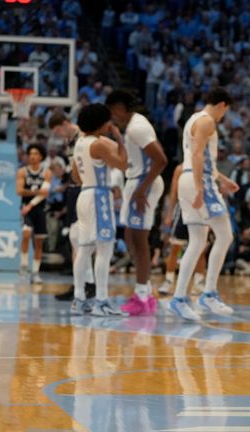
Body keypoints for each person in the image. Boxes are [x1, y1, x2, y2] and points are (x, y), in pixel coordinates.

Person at [169, 87, 239, 321]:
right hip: (199, 182)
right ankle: (208, 293)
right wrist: (201, 187)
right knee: (225, 235)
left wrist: (224, 180)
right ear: (222, 105)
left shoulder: (193, 119)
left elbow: (198, 158)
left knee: (197, 241)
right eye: (225, 112)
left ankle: (179, 298)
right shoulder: (208, 121)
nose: (223, 117)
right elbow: (198, 154)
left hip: (188, 178)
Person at [106, 90, 168, 315]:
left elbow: (161, 159)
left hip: (143, 183)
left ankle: (142, 296)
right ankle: (147, 292)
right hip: (137, 181)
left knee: (140, 242)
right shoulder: (135, 126)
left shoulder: (137, 127)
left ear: (121, 108)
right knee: (130, 237)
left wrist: (142, 190)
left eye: (113, 111)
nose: (112, 116)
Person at [69, 103, 129, 316]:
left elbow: (75, 176)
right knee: (104, 249)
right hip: (99, 196)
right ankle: (101, 301)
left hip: (84, 194)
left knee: (84, 249)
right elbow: (123, 164)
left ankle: (79, 299)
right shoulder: (98, 144)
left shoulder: (79, 143)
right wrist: (119, 138)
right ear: (101, 123)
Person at [49, 111, 95, 302]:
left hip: (86, 188)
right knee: (75, 238)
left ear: (65, 123)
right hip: (74, 190)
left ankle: (85, 284)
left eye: (58, 130)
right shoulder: (69, 141)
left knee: (83, 239)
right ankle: (84, 283)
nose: (58, 134)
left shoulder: (83, 137)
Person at [158, 164, 206, 296]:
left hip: (201, 210)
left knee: (201, 249)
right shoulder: (180, 168)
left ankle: (198, 282)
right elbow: (173, 193)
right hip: (183, 209)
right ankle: (169, 280)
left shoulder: (205, 164)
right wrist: (169, 214)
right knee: (175, 248)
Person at [16, 144, 52, 284]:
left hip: (39, 209)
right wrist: (36, 192)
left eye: (35, 153)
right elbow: (19, 191)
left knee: (39, 243)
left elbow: (45, 194)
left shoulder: (46, 172)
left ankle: (35, 272)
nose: (32, 156)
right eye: (30, 153)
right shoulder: (22, 171)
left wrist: (32, 201)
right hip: (26, 209)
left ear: (41, 156)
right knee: (26, 233)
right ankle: (23, 266)